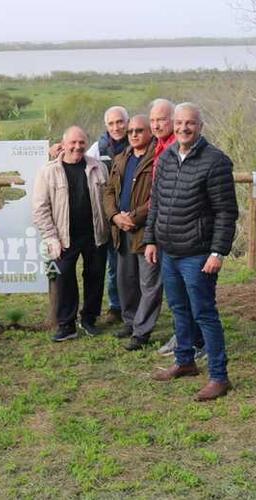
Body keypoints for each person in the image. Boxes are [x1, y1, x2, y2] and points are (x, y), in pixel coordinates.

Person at [144, 103, 238, 401]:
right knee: (179, 309)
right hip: (169, 251)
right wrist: (150, 239)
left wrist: (217, 252)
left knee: (204, 314)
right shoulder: (168, 156)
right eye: (180, 123)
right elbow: (156, 202)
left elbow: (226, 212)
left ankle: (220, 377)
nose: (184, 128)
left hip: (198, 254)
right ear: (174, 124)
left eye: (191, 123)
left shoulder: (216, 161)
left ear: (200, 126)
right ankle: (185, 361)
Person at [32, 126, 109, 341]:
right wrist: (50, 237)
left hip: (95, 234)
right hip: (64, 237)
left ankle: (89, 319)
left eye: (81, 142)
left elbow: (107, 199)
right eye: (73, 143)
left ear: (86, 144)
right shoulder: (49, 171)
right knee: (64, 277)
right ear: (63, 144)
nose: (77, 147)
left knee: (95, 277)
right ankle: (67, 325)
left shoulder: (98, 167)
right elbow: (40, 208)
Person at [149, 98, 205, 358]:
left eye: (162, 119)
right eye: (153, 120)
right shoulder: (161, 148)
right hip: (167, 233)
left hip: (191, 238)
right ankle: (184, 341)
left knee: (196, 298)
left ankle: (198, 342)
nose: (157, 124)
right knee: (178, 299)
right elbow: (158, 197)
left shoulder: (185, 149)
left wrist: (216, 250)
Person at [103, 115, 163, 351]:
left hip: (146, 230)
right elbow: (108, 192)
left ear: (150, 132)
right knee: (125, 281)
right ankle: (130, 321)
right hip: (122, 230)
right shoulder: (121, 158)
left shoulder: (158, 158)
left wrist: (134, 217)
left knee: (149, 283)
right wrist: (116, 217)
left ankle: (142, 332)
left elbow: (158, 196)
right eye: (130, 132)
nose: (134, 135)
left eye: (139, 130)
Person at [87, 106, 130, 325]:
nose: (116, 127)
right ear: (106, 126)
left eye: (120, 122)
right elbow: (81, 163)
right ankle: (116, 307)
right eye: (111, 123)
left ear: (128, 121)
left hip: (132, 215)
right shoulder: (98, 148)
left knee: (132, 264)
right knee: (113, 265)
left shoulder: (138, 143)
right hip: (107, 216)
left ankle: (134, 306)